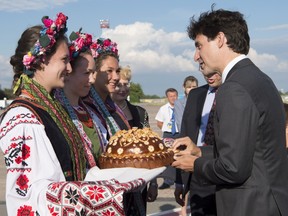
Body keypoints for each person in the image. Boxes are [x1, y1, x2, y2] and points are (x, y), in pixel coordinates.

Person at [0, 13, 144, 215]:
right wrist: (97, 194)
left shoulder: (51, 108)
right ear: (41, 61)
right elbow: (26, 196)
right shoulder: (22, 117)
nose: (68, 68)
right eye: (64, 60)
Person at [172, 7, 288, 216]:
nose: (196, 55)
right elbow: (250, 151)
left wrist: (195, 164)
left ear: (220, 39)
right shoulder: (260, 79)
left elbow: (233, 168)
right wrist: (200, 151)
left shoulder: (233, 88)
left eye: (199, 46)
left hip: (250, 206)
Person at [55, 29, 108, 168]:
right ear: (68, 72)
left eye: (93, 73)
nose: (92, 79)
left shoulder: (91, 112)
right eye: (86, 73)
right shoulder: (56, 113)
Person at [174, 71, 221, 216]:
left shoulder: (236, 93)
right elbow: (184, 137)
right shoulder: (195, 95)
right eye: (203, 68)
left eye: (214, 71)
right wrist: (180, 181)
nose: (208, 74)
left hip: (225, 174)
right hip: (197, 173)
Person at [155, 88, 179, 189]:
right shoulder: (163, 109)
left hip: (179, 134)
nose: (173, 98)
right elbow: (159, 122)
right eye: (171, 96)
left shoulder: (182, 107)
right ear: (167, 97)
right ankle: (167, 180)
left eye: (174, 96)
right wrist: (167, 129)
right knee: (167, 157)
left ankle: (179, 181)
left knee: (179, 155)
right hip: (168, 135)